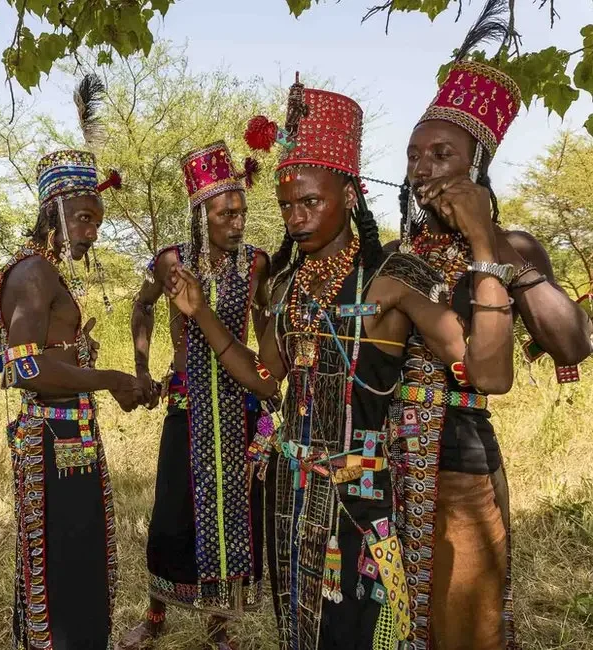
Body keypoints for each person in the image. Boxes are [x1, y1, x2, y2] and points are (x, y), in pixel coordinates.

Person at [165, 77, 516, 650]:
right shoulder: (282, 288)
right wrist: (201, 314)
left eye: (311, 202)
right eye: (286, 207)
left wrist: (483, 245)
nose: (297, 218)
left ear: (349, 197)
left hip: (363, 503)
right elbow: (265, 380)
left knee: (359, 633)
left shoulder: (395, 281)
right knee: (300, 633)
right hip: (289, 494)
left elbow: (491, 373)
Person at [390, 7, 593, 648]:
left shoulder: (515, 246)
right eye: (414, 155)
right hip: (382, 466)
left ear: (477, 165)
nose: (423, 168)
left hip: (461, 464)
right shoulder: (394, 258)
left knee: (466, 629)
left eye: (441, 154)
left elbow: (572, 343)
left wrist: (486, 242)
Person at [118, 140, 270, 650]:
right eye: (226, 213)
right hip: (185, 406)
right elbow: (140, 309)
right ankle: (157, 617)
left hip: (237, 408)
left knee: (230, 518)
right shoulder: (171, 262)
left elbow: (268, 334)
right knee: (170, 517)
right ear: (201, 214)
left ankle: (219, 627)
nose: (236, 222)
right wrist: (143, 368)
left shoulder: (256, 265)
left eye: (241, 212)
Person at [0, 145, 141, 650]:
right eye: (83, 218)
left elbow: (46, 353)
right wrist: (109, 377)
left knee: (79, 547)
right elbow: (24, 366)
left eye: (97, 222)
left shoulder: (48, 270)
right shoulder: (34, 271)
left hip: (69, 429)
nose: (92, 231)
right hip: (48, 435)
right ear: (53, 210)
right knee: (59, 550)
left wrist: (79, 355)